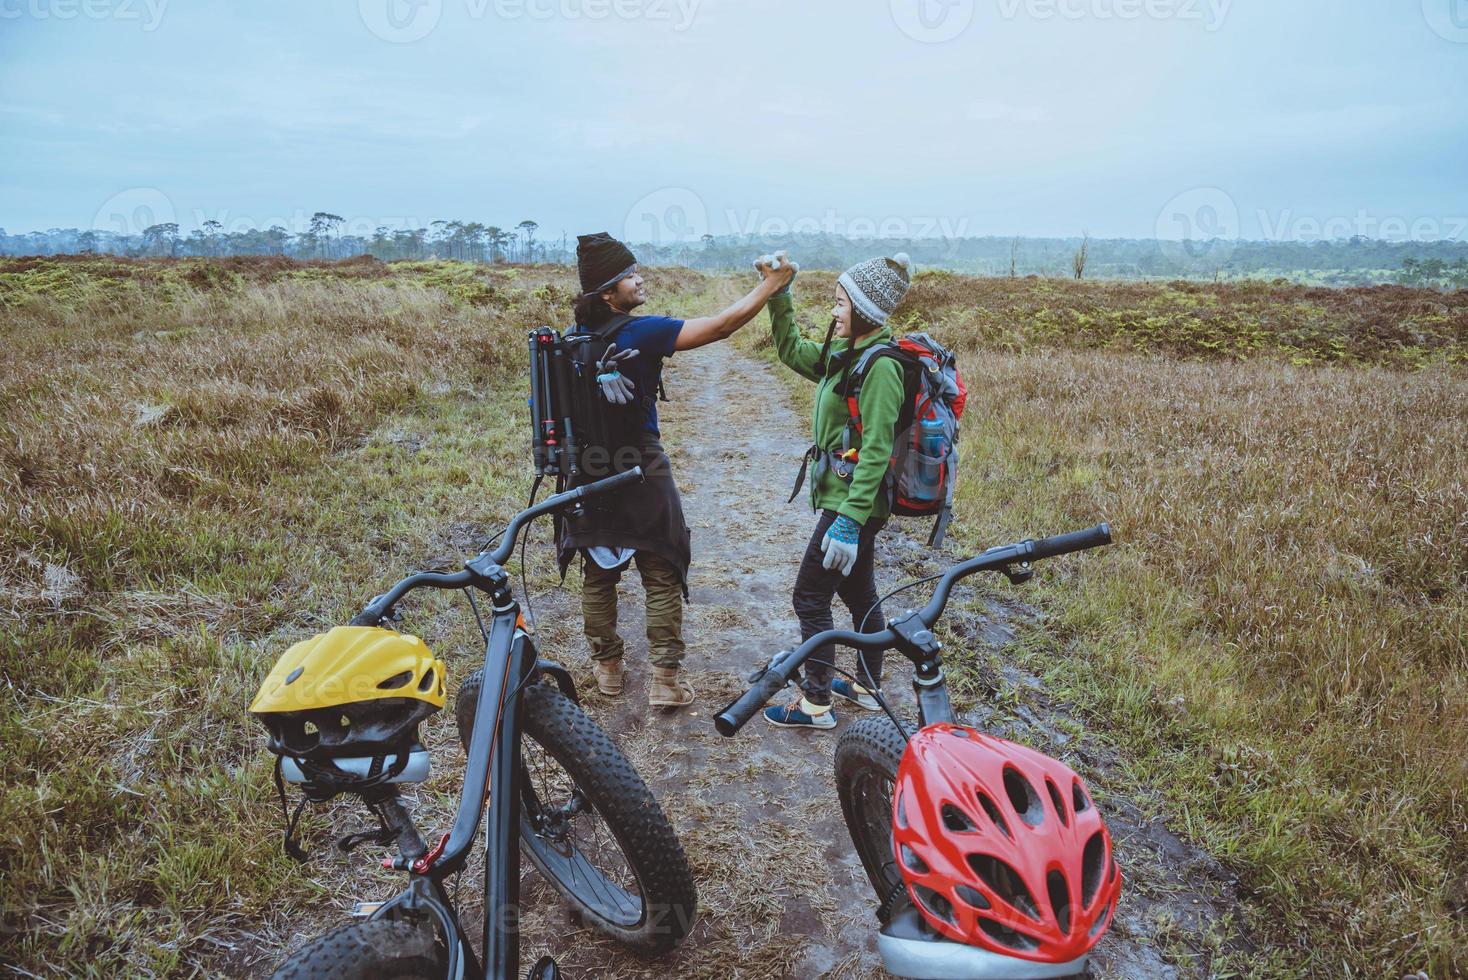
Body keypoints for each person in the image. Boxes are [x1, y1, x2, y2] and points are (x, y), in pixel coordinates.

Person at [559, 232, 794, 708]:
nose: (640, 279)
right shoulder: (638, 332)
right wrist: (771, 286)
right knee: (661, 567)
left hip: (586, 469)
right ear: (610, 293)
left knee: (598, 574)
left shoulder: (569, 343)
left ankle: (608, 673)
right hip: (640, 466)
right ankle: (665, 682)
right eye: (630, 275)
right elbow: (721, 327)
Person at [760, 252, 914, 730]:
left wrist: (849, 520)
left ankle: (816, 704)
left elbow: (878, 451)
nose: (834, 312)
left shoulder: (882, 367)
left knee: (809, 596)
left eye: (841, 303)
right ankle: (867, 687)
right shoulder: (847, 356)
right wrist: (779, 293)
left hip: (855, 507)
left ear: (865, 309)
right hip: (845, 502)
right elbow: (791, 350)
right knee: (861, 594)